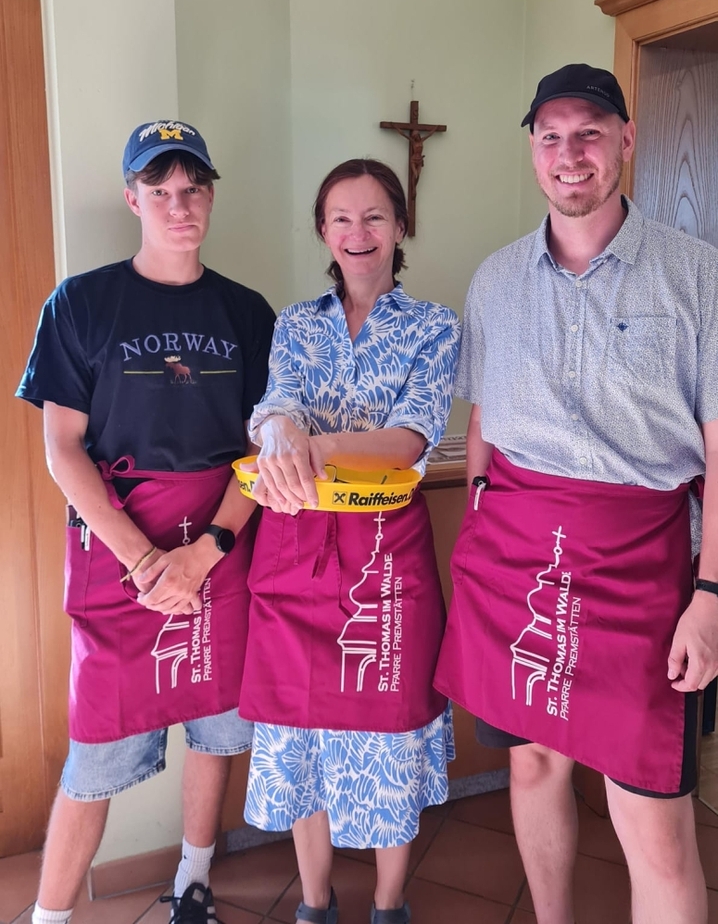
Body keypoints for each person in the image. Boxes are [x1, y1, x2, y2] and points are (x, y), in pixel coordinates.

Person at [434, 63, 718, 924]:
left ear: (626, 141)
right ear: (533, 150)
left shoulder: (697, 275)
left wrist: (711, 596)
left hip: (645, 568)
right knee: (530, 764)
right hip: (513, 561)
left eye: (589, 133)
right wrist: (476, 530)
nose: (570, 154)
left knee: (653, 817)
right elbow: (485, 419)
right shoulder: (495, 279)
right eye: (551, 136)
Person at [17, 120, 275, 924]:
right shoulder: (81, 303)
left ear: (211, 196)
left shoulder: (247, 312)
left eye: (192, 188)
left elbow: (262, 450)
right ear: (132, 199)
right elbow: (62, 448)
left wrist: (207, 552)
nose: (178, 205)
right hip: (118, 547)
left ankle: (193, 880)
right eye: (159, 191)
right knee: (94, 755)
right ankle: (50, 917)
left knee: (216, 728)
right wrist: (142, 559)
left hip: (220, 548)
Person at [237, 159, 460, 924]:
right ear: (322, 231)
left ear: (400, 227)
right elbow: (275, 405)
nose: (357, 232)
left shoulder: (434, 326)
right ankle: (314, 902)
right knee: (298, 728)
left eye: (374, 217)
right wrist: (280, 428)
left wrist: (316, 447)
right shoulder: (295, 324)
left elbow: (410, 437)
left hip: (385, 560)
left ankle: (390, 904)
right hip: (295, 551)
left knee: (389, 727)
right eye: (341, 218)